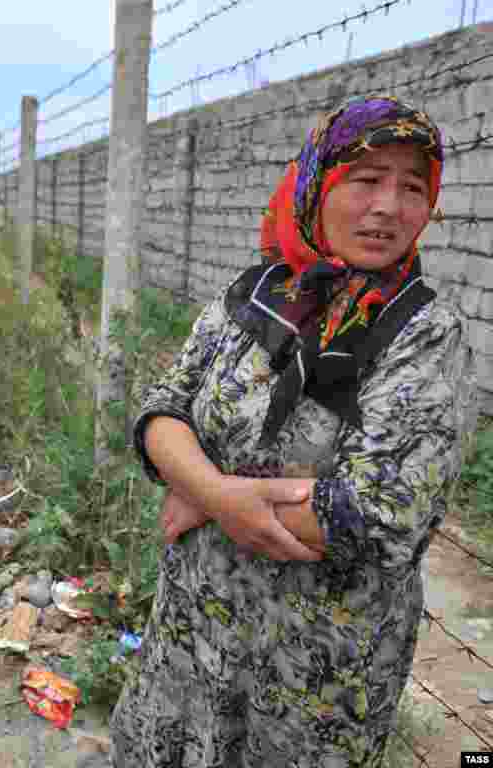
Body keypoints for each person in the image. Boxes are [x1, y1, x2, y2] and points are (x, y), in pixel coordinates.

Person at [111, 95, 474, 767]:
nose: (389, 206)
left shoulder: (424, 332)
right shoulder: (256, 292)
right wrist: (220, 493)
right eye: (366, 179)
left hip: (308, 676)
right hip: (191, 635)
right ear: (317, 182)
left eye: (413, 187)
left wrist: (201, 492)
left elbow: (375, 514)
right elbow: (163, 411)